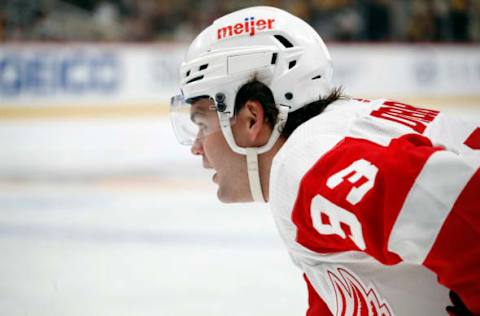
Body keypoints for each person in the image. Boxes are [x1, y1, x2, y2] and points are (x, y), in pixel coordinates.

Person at [169, 6, 479, 315]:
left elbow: (468, 207)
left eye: (202, 125)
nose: (197, 148)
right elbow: (335, 296)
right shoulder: (322, 146)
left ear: (252, 119)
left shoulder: (309, 166)